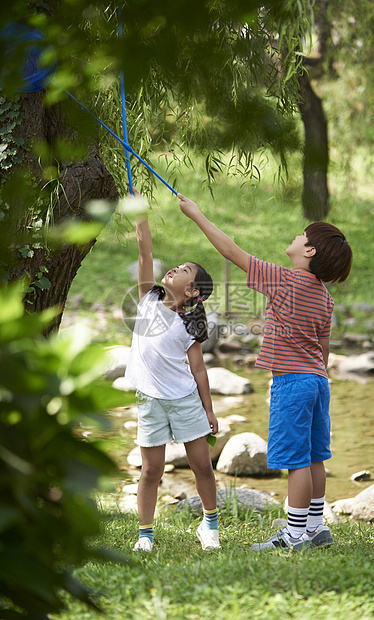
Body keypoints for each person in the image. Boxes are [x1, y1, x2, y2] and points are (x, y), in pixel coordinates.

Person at [178, 192, 352, 551]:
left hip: (291, 382)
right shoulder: (325, 297)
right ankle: (317, 528)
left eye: (302, 235)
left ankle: (293, 535)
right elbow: (324, 348)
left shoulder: (284, 280)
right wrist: (316, 374)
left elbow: (231, 252)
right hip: (318, 382)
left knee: (296, 461)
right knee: (316, 456)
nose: (296, 236)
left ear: (310, 252)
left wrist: (196, 215)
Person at [125, 188, 220, 553]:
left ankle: (209, 527)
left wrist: (209, 409)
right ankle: (145, 535)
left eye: (183, 271)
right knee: (151, 471)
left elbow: (198, 371)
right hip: (150, 400)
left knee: (202, 466)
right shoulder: (148, 297)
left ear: (194, 291)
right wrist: (140, 214)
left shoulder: (190, 326)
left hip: (183, 400)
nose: (174, 268)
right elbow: (144, 250)